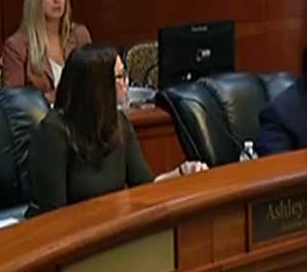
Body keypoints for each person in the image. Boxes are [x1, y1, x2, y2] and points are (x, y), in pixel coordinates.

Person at [26, 44, 207, 217]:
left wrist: (183, 173)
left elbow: (144, 185)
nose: (126, 82)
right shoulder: (53, 132)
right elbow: (53, 214)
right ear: (98, 85)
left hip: (107, 227)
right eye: (120, 76)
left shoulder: (118, 122)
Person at [0, 0, 92, 104]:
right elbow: (13, 100)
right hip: (41, 119)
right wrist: (50, 97)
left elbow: (94, 80)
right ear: (35, 2)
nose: (57, 0)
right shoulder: (17, 45)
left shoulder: (79, 35)